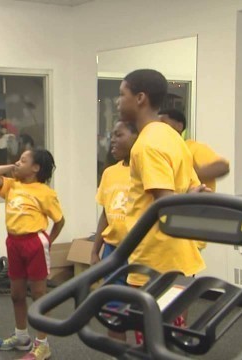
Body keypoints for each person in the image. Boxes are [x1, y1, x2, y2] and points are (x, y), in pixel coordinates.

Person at [117, 69, 207, 342]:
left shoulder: (147, 144)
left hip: (155, 261)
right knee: (170, 338)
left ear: (140, 98)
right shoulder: (172, 138)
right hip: (176, 256)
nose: (118, 101)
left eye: (122, 94)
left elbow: (166, 203)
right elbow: (194, 189)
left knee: (154, 343)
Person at [0, 148, 65, 360]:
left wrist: (48, 241)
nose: (17, 163)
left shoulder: (45, 192)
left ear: (36, 168)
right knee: (16, 294)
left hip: (34, 243)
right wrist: (13, 167)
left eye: (23, 160)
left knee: (38, 295)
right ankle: (22, 337)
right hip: (13, 242)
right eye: (17, 161)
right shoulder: (12, 185)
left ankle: (42, 344)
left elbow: (59, 221)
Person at [89, 120, 138, 342]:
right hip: (113, 252)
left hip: (142, 254)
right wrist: (95, 250)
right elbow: (105, 214)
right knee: (113, 313)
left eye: (119, 135)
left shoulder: (149, 169)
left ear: (137, 137)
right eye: (112, 135)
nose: (113, 140)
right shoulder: (109, 172)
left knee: (143, 314)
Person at [159, 109, 229, 250]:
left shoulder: (192, 147)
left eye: (163, 122)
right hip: (167, 231)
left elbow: (223, 166)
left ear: (179, 125)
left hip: (190, 233)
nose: (159, 127)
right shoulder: (160, 152)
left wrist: (187, 173)